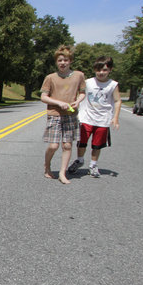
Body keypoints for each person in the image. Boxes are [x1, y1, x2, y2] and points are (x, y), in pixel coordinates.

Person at [67, 56, 121, 178]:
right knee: (82, 143)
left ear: (110, 70)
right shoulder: (88, 82)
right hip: (86, 117)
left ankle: (93, 165)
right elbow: (79, 94)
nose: (101, 73)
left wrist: (115, 117)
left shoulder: (113, 85)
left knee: (97, 145)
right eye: (98, 70)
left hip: (103, 119)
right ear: (94, 70)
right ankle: (80, 160)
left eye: (105, 70)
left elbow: (117, 101)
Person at [40, 45, 86, 184]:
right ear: (56, 62)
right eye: (60, 60)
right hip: (55, 114)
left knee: (67, 145)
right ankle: (47, 166)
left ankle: (62, 173)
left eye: (65, 60)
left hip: (70, 115)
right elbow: (43, 96)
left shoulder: (79, 76)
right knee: (54, 146)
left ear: (70, 61)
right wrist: (59, 103)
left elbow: (83, 93)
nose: (62, 63)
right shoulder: (50, 78)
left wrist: (78, 101)